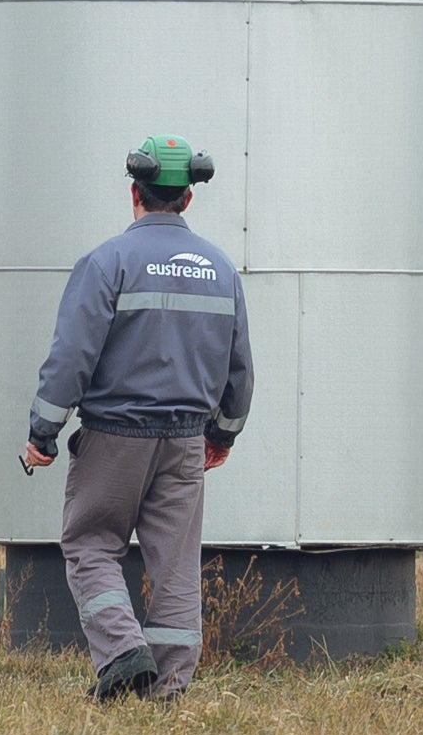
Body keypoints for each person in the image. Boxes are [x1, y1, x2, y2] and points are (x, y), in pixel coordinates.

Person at [19, 135, 253, 701]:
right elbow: (239, 366)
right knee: (175, 564)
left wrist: (42, 433)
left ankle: (123, 653)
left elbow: (70, 358)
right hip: (184, 443)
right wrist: (222, 434)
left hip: (114, 439)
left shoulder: (107, 263)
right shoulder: (221, 270)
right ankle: (167, 691)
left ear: (134, 193)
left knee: (90, 543)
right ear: (187, 200)